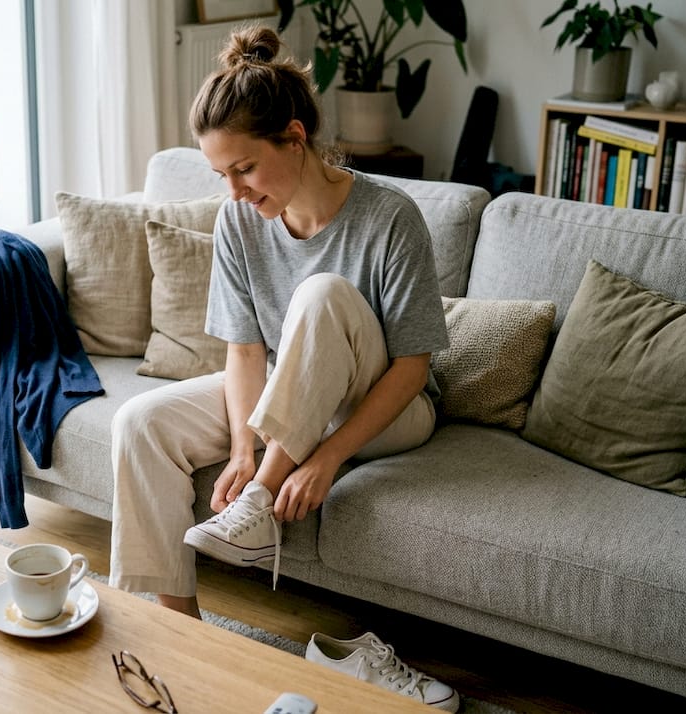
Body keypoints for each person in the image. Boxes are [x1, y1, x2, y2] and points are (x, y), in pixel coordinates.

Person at [107, 26, 457, 710]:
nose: (234, 191)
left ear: (294, 139)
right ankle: (178, 628)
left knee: (320, 293)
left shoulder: (389, 217)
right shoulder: (240, 221)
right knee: (139, 420)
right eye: (220, 175)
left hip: (386, 407)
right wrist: (243, 441)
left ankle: (257, 506)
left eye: (245, 168)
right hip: (287, 397)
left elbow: (413, 368)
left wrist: (322, 459)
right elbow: (244, 351)